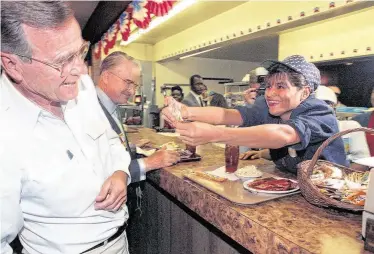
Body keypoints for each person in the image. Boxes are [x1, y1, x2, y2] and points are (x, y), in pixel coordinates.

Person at [1, 2, 131, 253]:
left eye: (79, 52)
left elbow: (111, 141)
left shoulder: (80, 85)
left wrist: (119, 171)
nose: (81, 69)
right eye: (62, 61)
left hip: (121, 243)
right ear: (13, 64)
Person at [162, 55, 348, 173]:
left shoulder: (319, 112)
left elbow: (284, 134)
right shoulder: (268, 106)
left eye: (281, 86)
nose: (270, 93)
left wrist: (215, 134)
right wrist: (186, 111)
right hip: (292, 188)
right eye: (268, 85)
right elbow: (227, 115)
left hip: (328, 195)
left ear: (305, 93)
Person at [97, 51, 180, 183]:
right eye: (128, 82)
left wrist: (130, 147)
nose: (132, 91)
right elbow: (99, 171)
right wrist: (149, 162)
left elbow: (106, 150)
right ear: (106, 76)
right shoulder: (91, 110)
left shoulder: (111, 105)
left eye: (135, 85)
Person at [241, 85, 370, 167]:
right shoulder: (302, 127)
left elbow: (362, 162)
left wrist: (340, 176)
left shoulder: (350, 126)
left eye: (326, 104)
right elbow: (289, 153)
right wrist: (260, 154)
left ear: (334, 106)